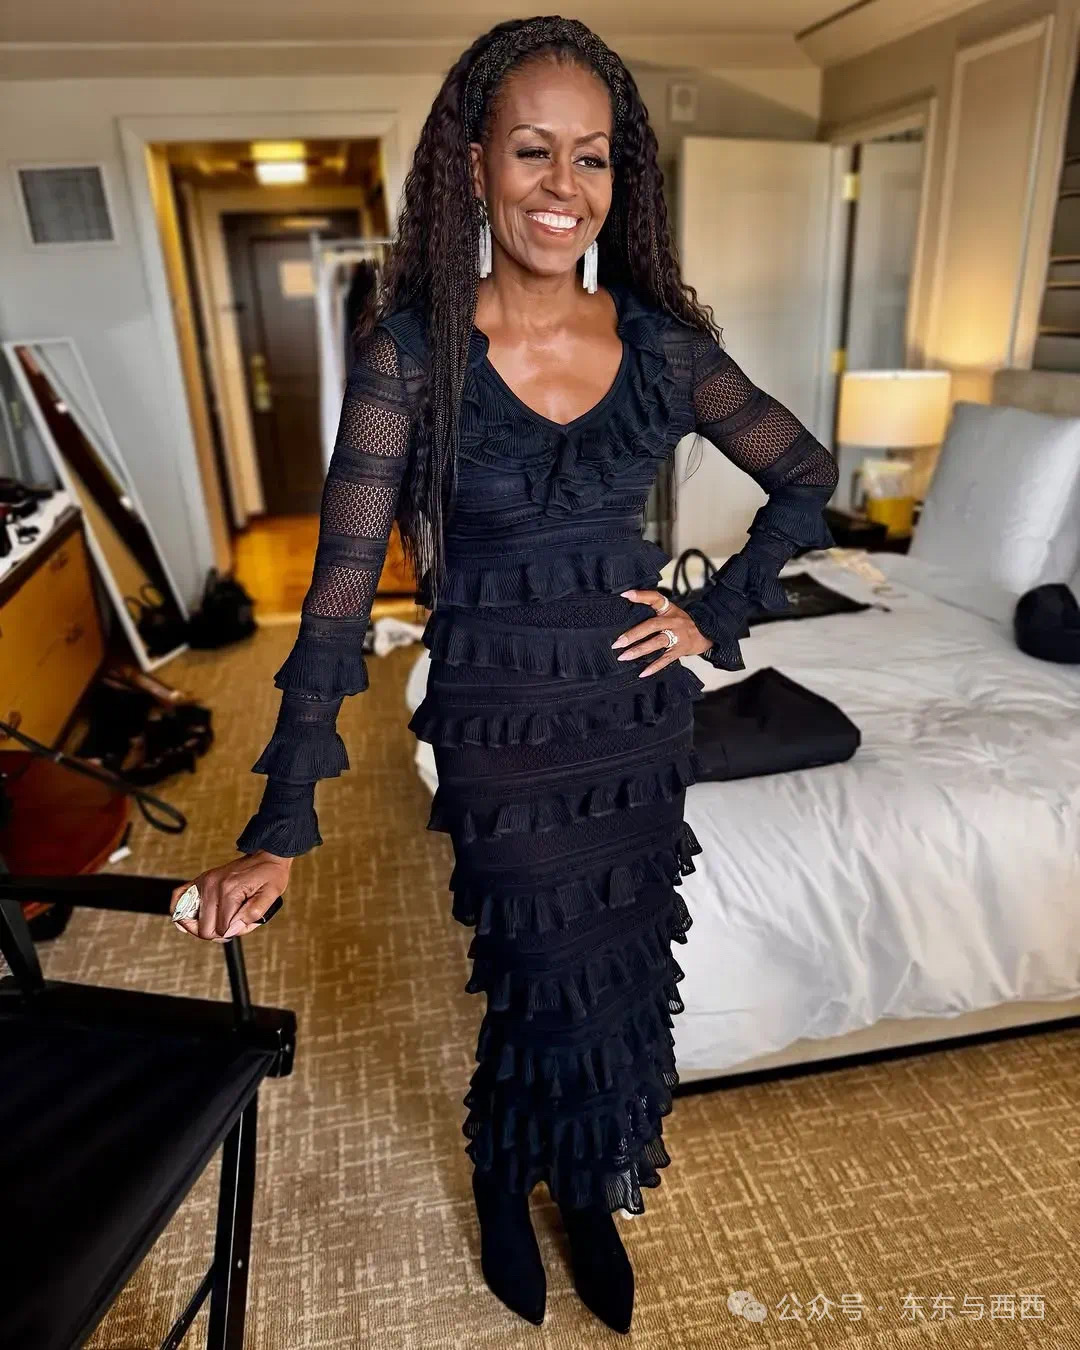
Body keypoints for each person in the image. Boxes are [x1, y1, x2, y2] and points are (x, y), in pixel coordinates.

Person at [171, 15, 839, 1335]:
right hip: (501, 731)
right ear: (473, 165)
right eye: (532, 149)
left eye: (591, 157)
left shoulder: (662, 346)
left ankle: (582, 1185)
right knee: (537, 966)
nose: (562, 184)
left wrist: (714, 615)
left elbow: (807, 480)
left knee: (621, 973)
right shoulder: (413, 354)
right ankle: (501, 1165)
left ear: (618, 179)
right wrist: (279, 826)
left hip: (634, 723)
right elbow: (339, 596)